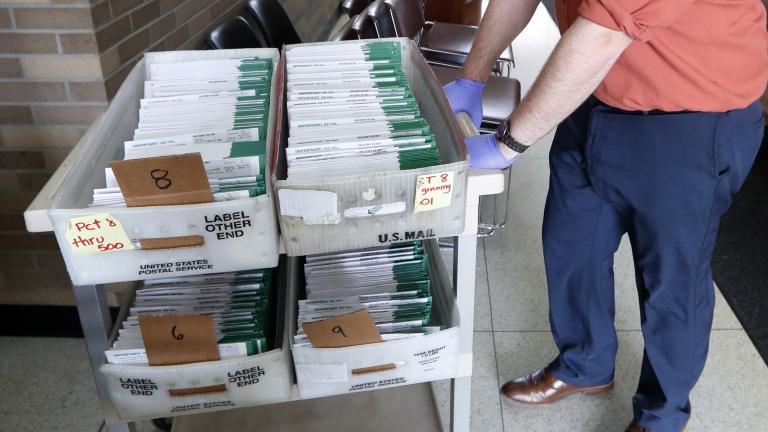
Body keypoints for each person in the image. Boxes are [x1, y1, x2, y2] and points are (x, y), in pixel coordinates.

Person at [442, 1, 768, 431]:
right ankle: (585, 364)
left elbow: (601, 33)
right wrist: (472, 76)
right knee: (571, 243)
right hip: (594, 92)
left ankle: (662, 414)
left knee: (672, 278)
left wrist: (508, 143)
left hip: (690, 117)